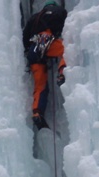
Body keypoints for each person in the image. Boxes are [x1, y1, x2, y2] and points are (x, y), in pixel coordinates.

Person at [23, 1, 67, 130]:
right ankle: (62, 73)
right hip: (47, 42)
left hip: (34, 49)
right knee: (68, 49)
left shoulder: (35, 17)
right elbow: (67, 28)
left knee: (40, 84)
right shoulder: (60, 12)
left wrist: (28, 51)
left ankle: (37, 112)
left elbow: (26, 35)